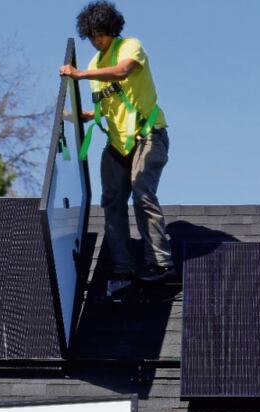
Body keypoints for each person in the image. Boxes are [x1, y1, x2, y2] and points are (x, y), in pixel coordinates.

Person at [60, 0, 173, 297]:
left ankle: (161, 263)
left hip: (148, 135)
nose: (96, 40)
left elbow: (122, 72)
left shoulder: (130, 47)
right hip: (117, 143)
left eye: (100, 33)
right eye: (91, 35)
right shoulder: (94, 65)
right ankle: (123, 267)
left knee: (142, 191)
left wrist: (78, 75)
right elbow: (107, 108)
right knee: (111, 201)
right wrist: (79, 115)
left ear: (112, 29)